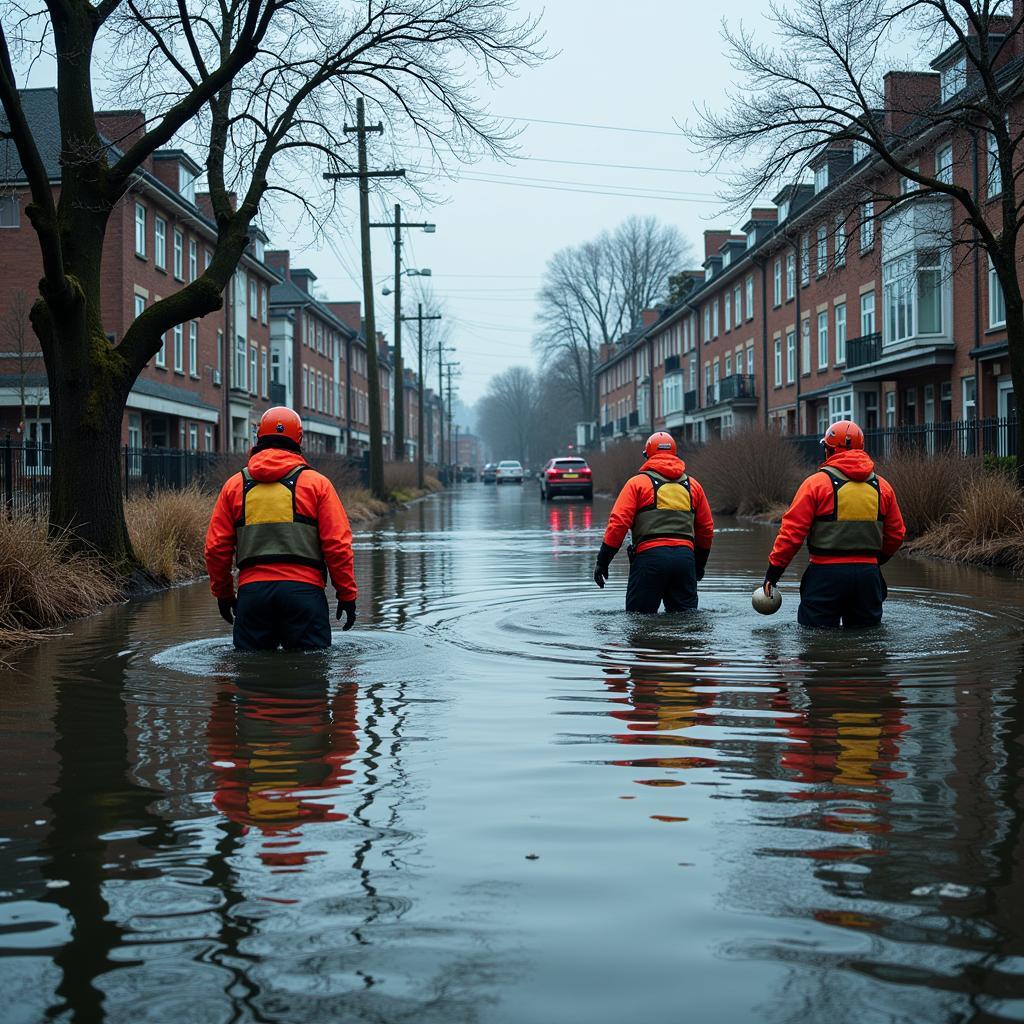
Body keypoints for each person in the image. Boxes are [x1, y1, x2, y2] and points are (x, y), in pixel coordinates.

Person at [204, 406, 358, 650]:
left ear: (258, 439)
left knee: (252, 677)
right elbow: (337, 546)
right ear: (299, 440)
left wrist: (223, 594)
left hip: (252, 596)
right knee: (310, 676)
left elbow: (216, 548)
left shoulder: (234, 486)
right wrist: (346, 594)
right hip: (304, 595)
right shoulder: (318, 485)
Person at [762, 419, 905, 628]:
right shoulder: (883, 487)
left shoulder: (816, 484)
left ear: (829, 451)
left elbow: (791, 535)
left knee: (815, 641)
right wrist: (872, 563)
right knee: (866, 644)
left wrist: (772, 575)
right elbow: (896, 535)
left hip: (825, 576)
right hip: (868, 578)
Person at [593, 431, 714, 613]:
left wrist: (602, 562)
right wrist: (699, 565)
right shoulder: (694, 486)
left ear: (647, 455)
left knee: (639, 623)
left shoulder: (637, 484)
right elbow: (706, 529)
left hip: (649, 561)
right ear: (675, 454)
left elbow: (618, 524)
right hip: (684, 561)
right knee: (686, 625)